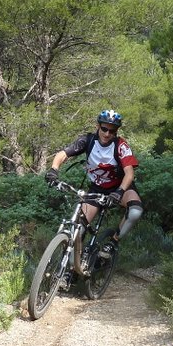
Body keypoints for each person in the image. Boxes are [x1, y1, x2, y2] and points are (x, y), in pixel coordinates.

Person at [44, 109, 143, 273]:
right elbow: (63, 154)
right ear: (98, 126)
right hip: (96, 189)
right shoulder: (87, 140)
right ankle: (74, 267)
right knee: (78, 228)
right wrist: (54, 169)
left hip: (119, 187)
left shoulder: (121, 146)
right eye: (104, 128)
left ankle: (113, 242)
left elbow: (129, 173)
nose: (107, 133)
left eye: (112, 130)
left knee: (135, 211)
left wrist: (119, 192)